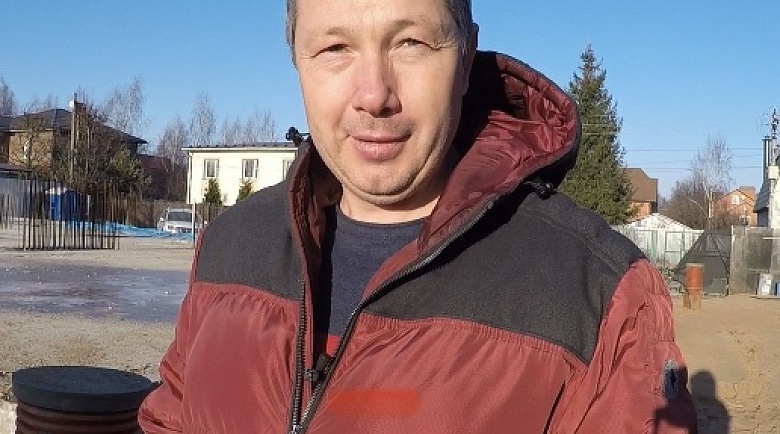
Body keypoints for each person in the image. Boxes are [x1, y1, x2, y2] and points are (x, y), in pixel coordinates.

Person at [139, 0, 698, 432]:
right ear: (296, 59)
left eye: (410, 42)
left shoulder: (600, 299)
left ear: (465, 56)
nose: (374, 95)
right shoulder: (228, 247)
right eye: (334, 47)